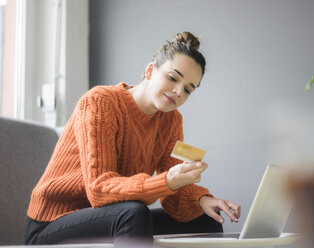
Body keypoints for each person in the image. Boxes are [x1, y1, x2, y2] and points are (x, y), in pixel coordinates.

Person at [24, 31, 241, 246]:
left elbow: (174, 198)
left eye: (187, 90)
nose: (178, 92)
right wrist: (167, 181)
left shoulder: (171, 120)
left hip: (113, 217)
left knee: (205, 221)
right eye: (173, 78)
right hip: (52, 222)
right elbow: (99, 190)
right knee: (133, 213)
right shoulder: (100, 102)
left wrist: (202, 200)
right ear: (149, 71)